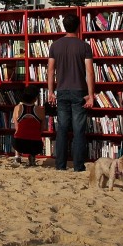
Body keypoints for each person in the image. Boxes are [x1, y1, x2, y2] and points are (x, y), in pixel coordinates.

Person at [47, 14, 94, 172]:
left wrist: (51, 91)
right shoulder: (84, 46)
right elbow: (90, 72)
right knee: (78, 130)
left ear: (63, 26)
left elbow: (50, 70)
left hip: (61, 90)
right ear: (78, 26)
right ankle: (78, 165)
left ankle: (60, 164)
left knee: (62, 129)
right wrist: (91, 95)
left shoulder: (55, 46)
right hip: (79, 90)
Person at [11, 86, 46, 167]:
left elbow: (17, 128)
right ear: (35, 98)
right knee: (35, 135)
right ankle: (32, 157)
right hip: (36, 145)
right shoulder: (40, 110)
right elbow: (41, 130)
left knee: (17, 134)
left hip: (19, 144)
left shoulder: (17, 108)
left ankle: (17, 157)